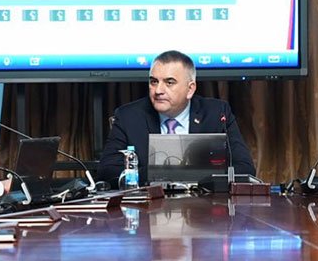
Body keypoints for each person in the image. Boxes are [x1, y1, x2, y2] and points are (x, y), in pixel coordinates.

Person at [98, 50, 255, 185]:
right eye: (154, 82)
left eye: (169, 82)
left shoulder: (216, 113)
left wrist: (180, 174)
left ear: (190, 89)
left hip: (203, 206)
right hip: (148, 206)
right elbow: (107, 171)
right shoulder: (129, 116)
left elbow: (245, 168)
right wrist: (165, 174)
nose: (158, 90)